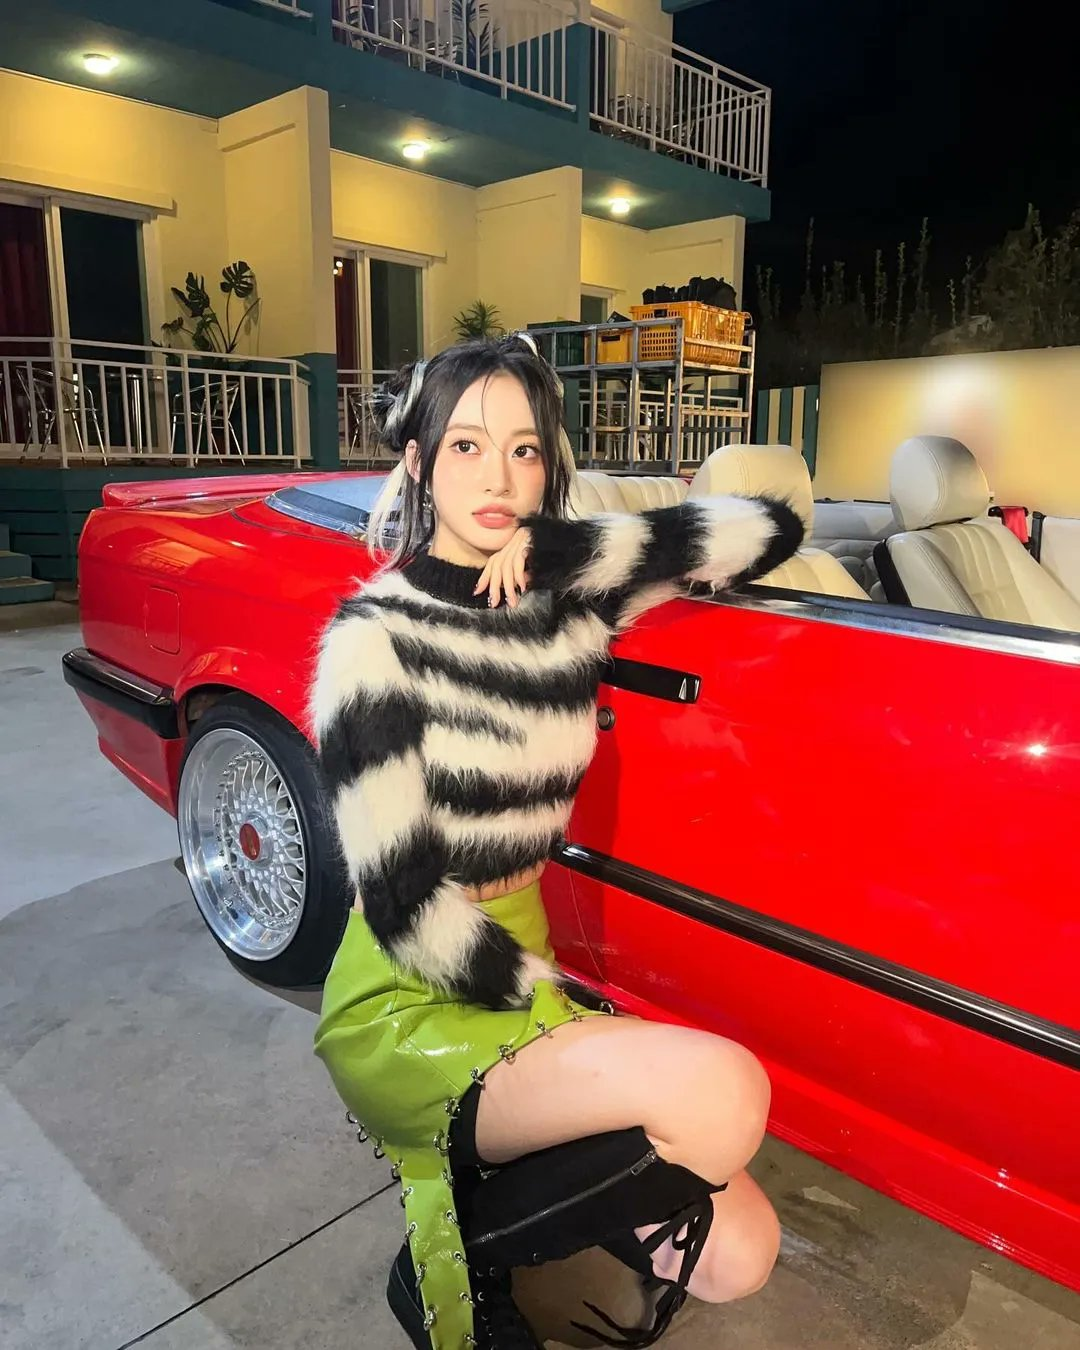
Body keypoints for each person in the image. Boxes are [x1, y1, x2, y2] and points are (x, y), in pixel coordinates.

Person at [312, 334, 804, 1350]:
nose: (498, 478)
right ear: (419, 462)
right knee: (725, 1091)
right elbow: (401, 905)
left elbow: (769, 528)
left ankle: (487, 1186)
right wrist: (550, 1012)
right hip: (415, 998)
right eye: (466, 447)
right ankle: (447, 1256)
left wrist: (569, 552)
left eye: (524, 450)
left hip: (522, 977)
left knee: (742, 1256)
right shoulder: (373, 640)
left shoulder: (570, 600)